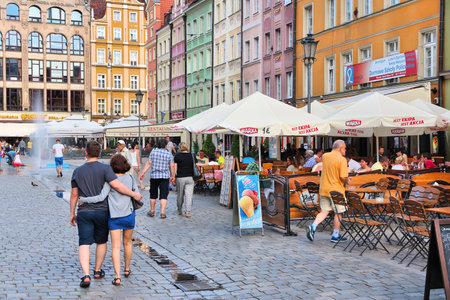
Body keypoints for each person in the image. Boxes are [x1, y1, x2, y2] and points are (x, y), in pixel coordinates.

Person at [70, 141, 142, 288]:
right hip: (103, 212)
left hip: (84, 211)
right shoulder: (105, 169)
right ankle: (97, 270)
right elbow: (117, 185)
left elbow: (73, 194)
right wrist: (134, 194)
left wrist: (72, 212)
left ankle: (86, 275)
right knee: (102, 241)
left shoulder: (77, 171)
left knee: (84, 243)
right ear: (100, 153)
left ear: (85, 153)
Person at [306, 140, 349, 243]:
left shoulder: (325, 156)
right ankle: (335, 235)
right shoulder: (342, 160)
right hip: (336, 190)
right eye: (345, 148)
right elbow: (343, 177)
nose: (345, 150)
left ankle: (313, 226)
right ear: (340, 148)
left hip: (324, 188)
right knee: (338, 212)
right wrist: (348, 180)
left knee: (324, 211)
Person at [140, 138, 176, 219]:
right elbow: (172, 165)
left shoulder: (153, 152)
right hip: (165, 177)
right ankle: (162, 212)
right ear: (166, 145)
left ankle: (152, 211)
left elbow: (149, 163)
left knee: (153, 194)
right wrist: (173, 176)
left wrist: (143, 173)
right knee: (164, 195)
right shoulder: (168, 154)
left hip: (154, 176)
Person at [174, 143, 196, 218]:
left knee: (180, 195)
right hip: (190, 177)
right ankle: (188, 212)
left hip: (180, 177)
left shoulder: (177, 156)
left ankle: (180, 210)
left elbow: (175, 167)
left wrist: (173, 176)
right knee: (189, 196)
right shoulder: (192, 155)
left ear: (180, 148)